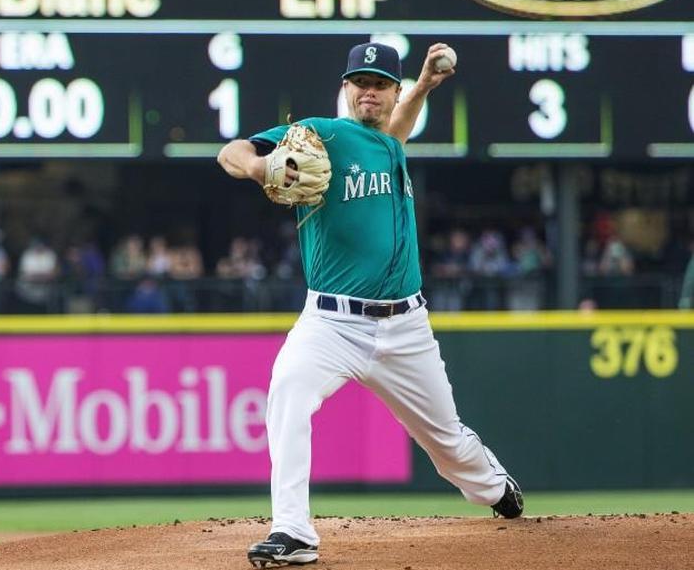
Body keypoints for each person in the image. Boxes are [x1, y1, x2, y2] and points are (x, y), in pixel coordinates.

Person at [217, 42, 523, 568]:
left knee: (446, 442)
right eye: (361, 82)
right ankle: (292, 531)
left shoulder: (387, 145)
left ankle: (494, 489)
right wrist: (261, 166)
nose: (369, 91)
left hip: (406, 326)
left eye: (380, 84)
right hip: (331, 324)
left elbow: (393, 133)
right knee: (288, 390)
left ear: (392, 92)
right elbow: (230, 150)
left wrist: (425, 85)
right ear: (346, 88)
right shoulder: (323, 135)